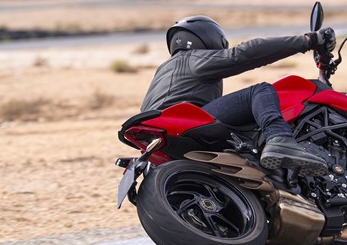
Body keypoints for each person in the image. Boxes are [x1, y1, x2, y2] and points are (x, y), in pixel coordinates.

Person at [140, 15, 336, 176]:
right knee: (260, 91)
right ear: (208, 38)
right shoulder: (191, 59)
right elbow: (245, 54)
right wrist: (307, 41)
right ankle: (280, 139)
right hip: (185, 121)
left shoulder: (162, 71)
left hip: (157, 137)